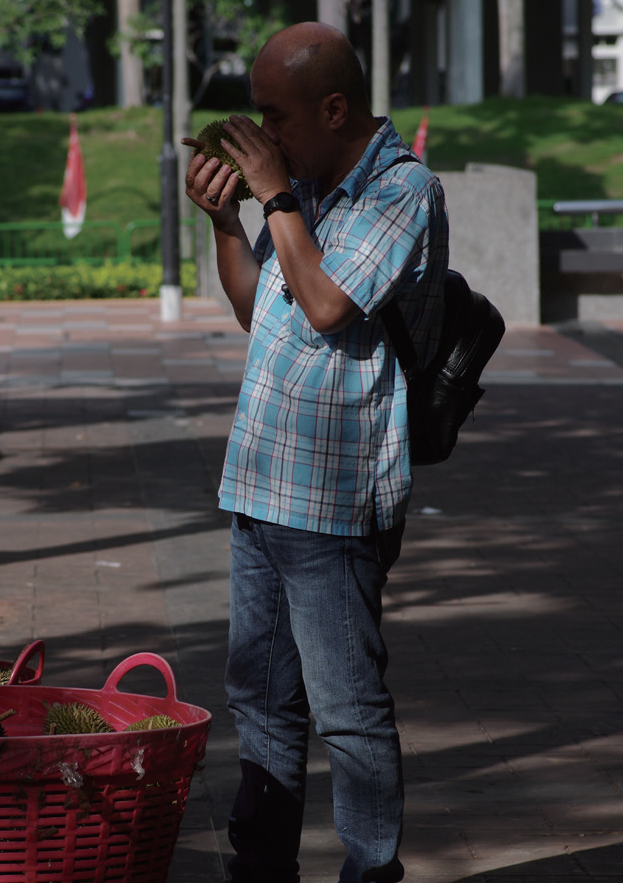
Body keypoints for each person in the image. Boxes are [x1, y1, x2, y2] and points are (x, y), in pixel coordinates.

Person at [183, 21, 449, 883]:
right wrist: (229, 217)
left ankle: (371, 871)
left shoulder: (401, 190)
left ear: (335, 108)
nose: (263, 137)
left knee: (348, 712)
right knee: (260, 702)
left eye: (275, 116)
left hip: (333, 504)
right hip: (260, 485)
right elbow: (261, 308)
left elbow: (330, 304)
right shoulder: (301, 187)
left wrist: (274, 197)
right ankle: (262, 869)